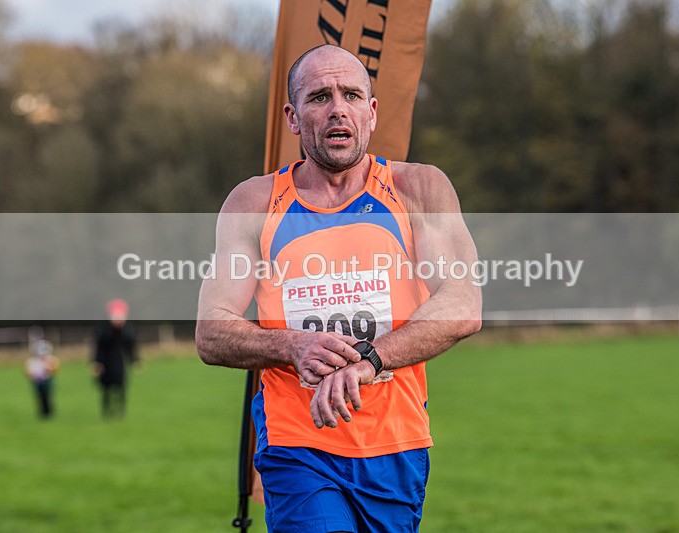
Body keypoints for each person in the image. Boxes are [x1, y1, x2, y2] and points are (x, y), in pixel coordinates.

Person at [196, 44, 481, 533]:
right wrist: (292, 344)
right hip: (296, 442)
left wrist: (371, 361)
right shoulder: (255, 202)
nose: (337, 108)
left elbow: (463, 305)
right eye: (319, 97)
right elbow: (212, 330)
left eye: (351, 95)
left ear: (370, 112)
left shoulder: (418, 190)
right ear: (292, 115)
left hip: (395, 443)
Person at [92, 298, 139, 419]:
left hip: (119, 363)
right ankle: (106, 411)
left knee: (121, 387)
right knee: (105, 389)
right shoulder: (103, 330)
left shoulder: (127, 330)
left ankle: (120, 411)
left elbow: (131, 347)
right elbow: (98, 348)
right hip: (105, 363)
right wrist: (97, 363)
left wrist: (136, 361)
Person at [24, 339, 60, 419]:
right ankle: (42, 412)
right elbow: (28, 371)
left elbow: (54, 369)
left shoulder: (50, 359)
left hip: (46, 380)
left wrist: (49, 369)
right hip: (37, 381)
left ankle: (48, 412)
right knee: (39, 397)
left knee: (47, 396)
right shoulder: (32, 361)